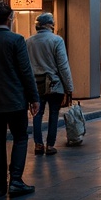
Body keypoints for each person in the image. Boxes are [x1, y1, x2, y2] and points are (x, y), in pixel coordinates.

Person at [0, 2, 40, 197]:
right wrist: (34, 97)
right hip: (15, 99)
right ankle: (16, 180)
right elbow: (25, 71)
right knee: (20, 137)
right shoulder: (16, 40)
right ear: (10, 18)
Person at [26, 12, 74, 154]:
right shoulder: (56, 40)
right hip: (54, 84)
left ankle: (38, 144)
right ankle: (50, 145)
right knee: (53, 113)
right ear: (49, 25)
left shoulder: (28, 41)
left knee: (37, 113)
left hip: (35, 83)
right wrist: (69, 87)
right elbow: (63, 66)